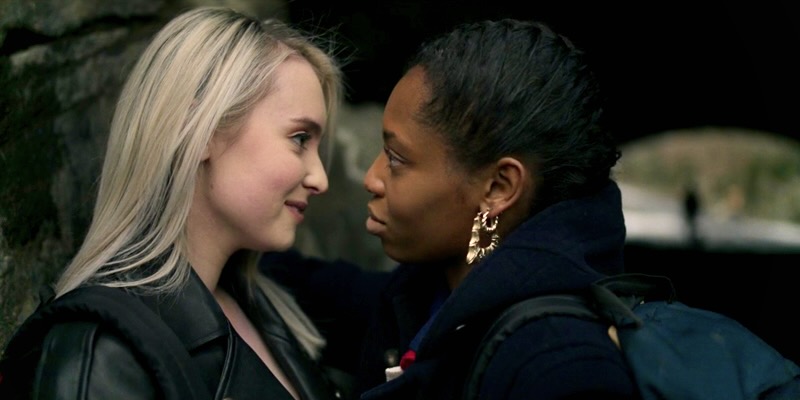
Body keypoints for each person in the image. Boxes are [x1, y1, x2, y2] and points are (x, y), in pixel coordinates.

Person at [262, 18, 639, 399]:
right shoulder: (430, 297)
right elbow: (322, 290)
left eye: (395, 158)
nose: (372, 179)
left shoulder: (563, 369)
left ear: (498, 187)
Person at [0, 6, 348, 400]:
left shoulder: (260, 302)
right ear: (198, 130)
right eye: (300, 138)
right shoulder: (101, 351)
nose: (319, 178)